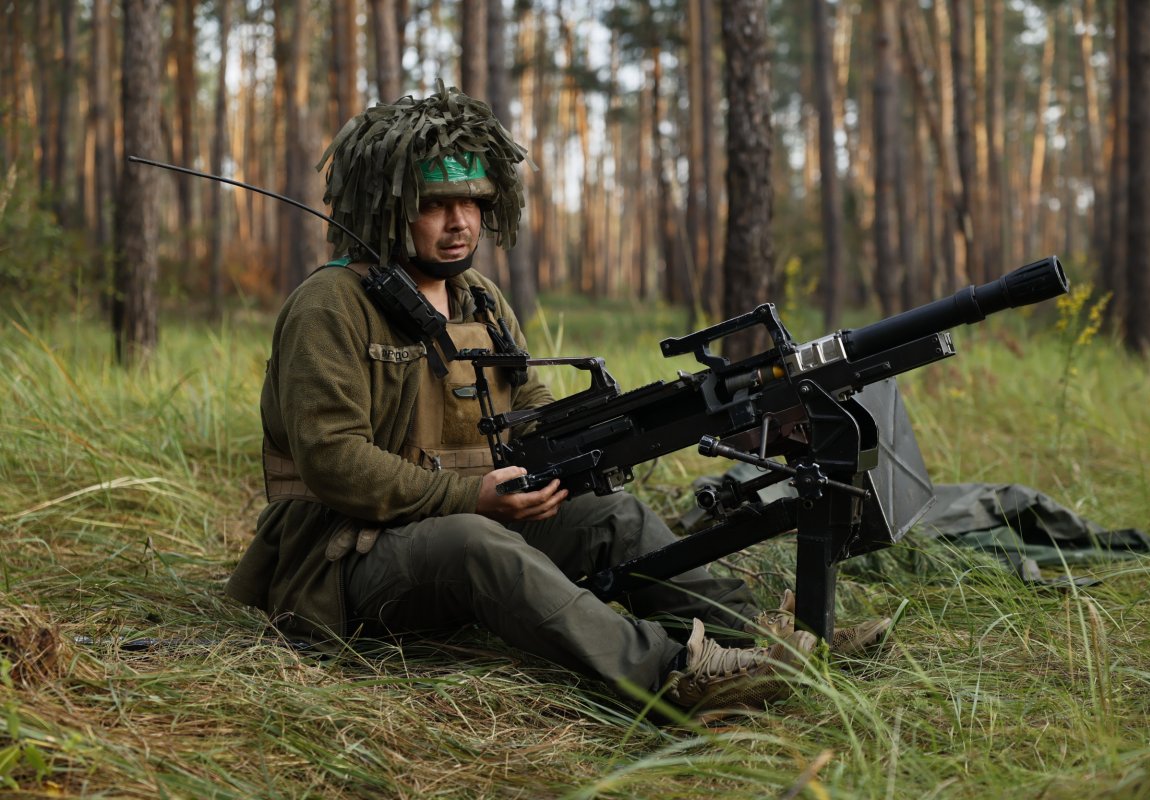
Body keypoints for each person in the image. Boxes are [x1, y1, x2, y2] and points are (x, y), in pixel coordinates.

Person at [226, 83, 884, 715]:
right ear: (385, 204)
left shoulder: (478, 297)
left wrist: (590, 441)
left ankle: (767, 648)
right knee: (475, 542)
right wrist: (472, 496)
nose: (461, 223)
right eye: (435, 204)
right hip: (345, 560)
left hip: (461, 520)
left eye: (475, 202)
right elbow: (333, 459)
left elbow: (526, 404)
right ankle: (671, 676)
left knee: (611, 517)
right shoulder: (330, 305)